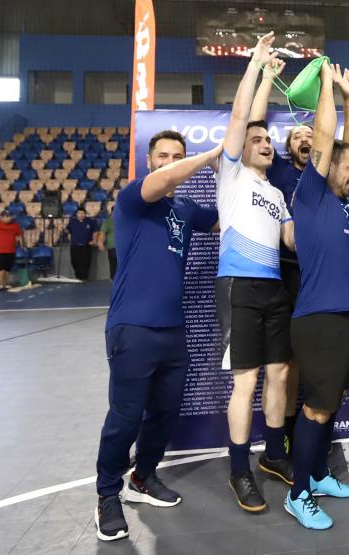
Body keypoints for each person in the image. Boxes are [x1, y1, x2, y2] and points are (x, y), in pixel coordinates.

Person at [94, 130, 219, 542]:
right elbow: (163, 183)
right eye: (162, 155)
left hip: (173, 330)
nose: (169, 161)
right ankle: (107, 495)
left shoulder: (183, 208)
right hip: (132, 327)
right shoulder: (134, 197)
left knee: (164, 414)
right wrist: (213, 154)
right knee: (125, 418)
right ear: (150, 162)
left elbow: (224, 219)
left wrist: (227, 172)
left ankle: (143, 478)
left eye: (177, 155)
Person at [214, 32, 296, 513]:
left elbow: (291, 240)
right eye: (258, 140)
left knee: (279, 374)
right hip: (238, 287)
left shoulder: (280, 193)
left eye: (269, 140)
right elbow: (244, 115)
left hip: (274, 290)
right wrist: (257, 67)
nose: (265, 143)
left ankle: (274, 455)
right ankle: (239, 470)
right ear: (241, 148)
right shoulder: (232, 174)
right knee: (245, 383)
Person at [283, 61, 349, 530]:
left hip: (341, 319)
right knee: (315, 408)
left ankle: (316, 475)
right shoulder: (311, 195)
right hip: (316, 321)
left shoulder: (339, 201)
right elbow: (329, 133)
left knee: (329, 404)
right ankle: (299, 495)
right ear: (326, 164)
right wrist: (330, 90)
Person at [249, 58, 315, 455]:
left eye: (310, 135)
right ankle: (286, 430)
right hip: (285, 274)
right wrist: (265, 76)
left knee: (312, 361)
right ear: (288, 148)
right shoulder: (277, 173)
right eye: (296, 137)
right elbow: (254, 129)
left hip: (318, 275)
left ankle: (311, 427)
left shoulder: (324, 174)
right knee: (286, 363)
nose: (304, 139)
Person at [67, 207, 98, 281]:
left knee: (86, 262)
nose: (81, 215)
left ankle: (84, 277)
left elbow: (95, 231)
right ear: (77, 214)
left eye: (82, 213)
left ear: (85, 214)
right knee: (74, 261)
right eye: (79, 213)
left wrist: (94, 240)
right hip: (75, 245)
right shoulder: (72, 221)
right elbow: (67, 230)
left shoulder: (90, 221)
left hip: (86, 245)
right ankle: (78, 276)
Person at [0, 210, 23, 290]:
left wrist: (23, 245)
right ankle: (1, 284)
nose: (8, 218)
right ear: (2, 217)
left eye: (9, 216)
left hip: (11, 250)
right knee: (1, 267)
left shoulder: (15, 226)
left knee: (7, 268)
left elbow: (18, 236)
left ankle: (5, 284)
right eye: (7, 216)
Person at [98, 205, 117, 280]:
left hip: (123, 247)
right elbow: (102, 233)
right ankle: (113, 278)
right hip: (112, 246)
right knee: (113, 263)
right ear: (111, 212)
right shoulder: (107, 222)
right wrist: (100, 243)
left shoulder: (124, 220)